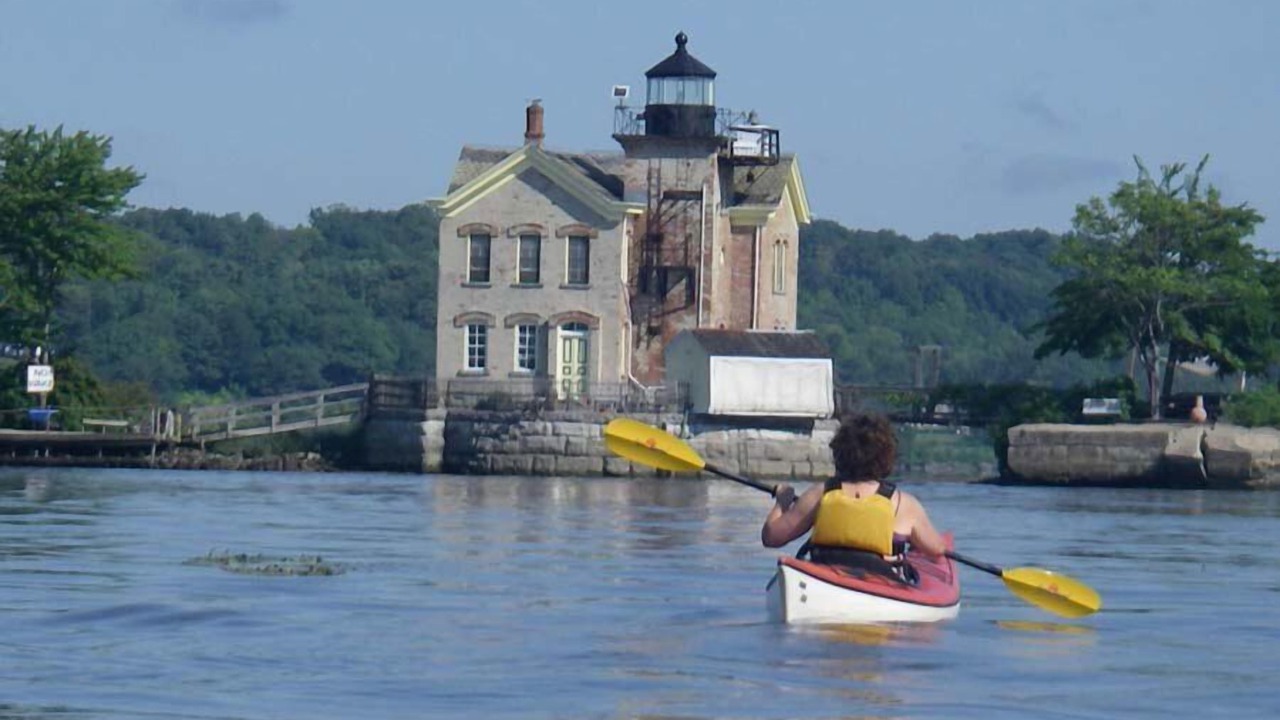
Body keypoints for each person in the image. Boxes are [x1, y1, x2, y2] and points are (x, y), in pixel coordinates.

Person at [761, 412, 947, 579]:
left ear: (840, 452)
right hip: (881, 584)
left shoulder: (820, 493)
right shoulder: (904, 503)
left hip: (825, 578)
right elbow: (936, 550)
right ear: (886, 456)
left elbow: (772, 538)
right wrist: (913, 542)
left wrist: (782, 503)